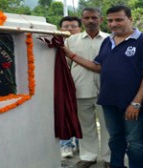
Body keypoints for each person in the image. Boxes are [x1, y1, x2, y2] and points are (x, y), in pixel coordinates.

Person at [61, 5, 143, 168]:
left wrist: (136, 102)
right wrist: (71, 54)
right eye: (111, 20)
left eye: (119, 20)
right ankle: (115, 164)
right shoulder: (108, 41)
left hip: (132, 102)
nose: (114, 24)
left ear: (130, 19)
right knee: (115, 138)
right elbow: (98, 66)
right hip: (109, 100)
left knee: (135, 142)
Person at [63, 7, 111, 168]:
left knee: (108, 126)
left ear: (101, 20)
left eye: (94, 18)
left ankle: (108, 158)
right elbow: (65, 65)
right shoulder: (71, 40)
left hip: (106, 89)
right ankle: (88, 156)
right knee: (85, 125)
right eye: (87, 18)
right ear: (82, 20)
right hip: (80, 88)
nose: (90, 21)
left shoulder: (110, 39)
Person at [58, 16, 82, 158]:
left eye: (73, 26)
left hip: (82, 86)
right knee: (65, 115)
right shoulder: (55, 43)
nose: (69, 29)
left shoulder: (83, 43)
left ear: (79, 28)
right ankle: (66, 145)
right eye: (66, 26)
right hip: (63, 88)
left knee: (82, 118)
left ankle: (81, 145)